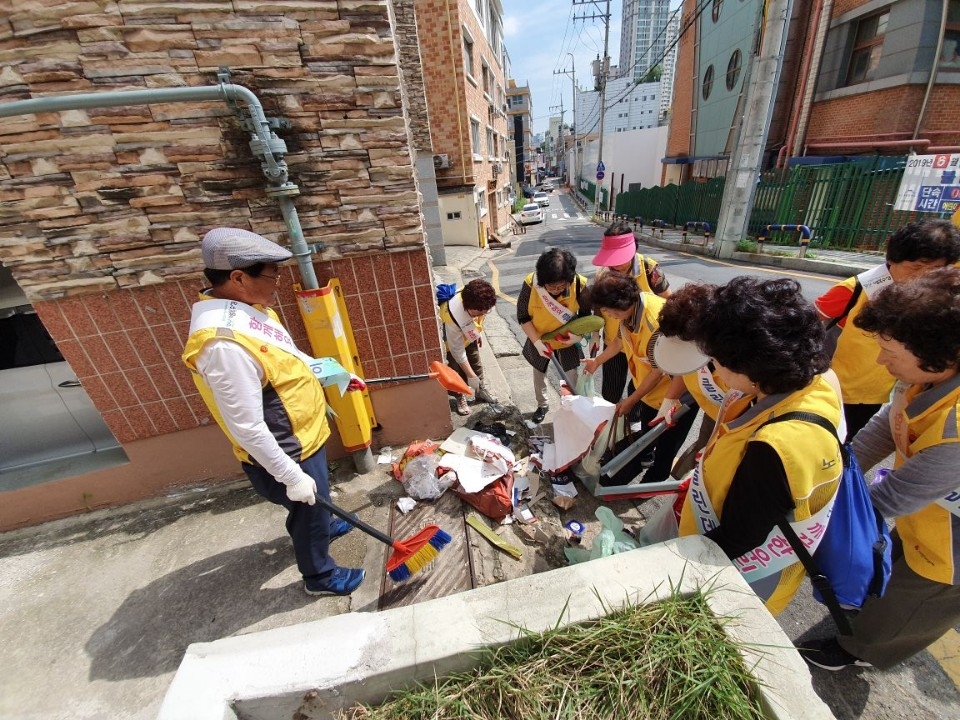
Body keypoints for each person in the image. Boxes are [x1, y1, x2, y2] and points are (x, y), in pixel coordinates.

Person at [181, 227, 364, 597]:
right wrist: (290, 477)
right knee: (307, 508)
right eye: (271, 274)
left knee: (317, 503)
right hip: (286, 450)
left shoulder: (250, 311)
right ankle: (320, 577)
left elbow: (288, 359)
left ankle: (324, 523)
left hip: (303, 434)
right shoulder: (223, 345)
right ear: (237, 278)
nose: (278, 282)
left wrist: (335, 373)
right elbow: (246, 425)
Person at [800, 267, 960, 671]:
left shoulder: (957, 430)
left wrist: (814, 522)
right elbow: (887, 427)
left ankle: (860, 654)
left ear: (943, 354)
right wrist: (835, 468)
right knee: (893, 570)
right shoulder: (925, 378)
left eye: (890, 353)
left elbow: (890, 498)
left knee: (913, 602)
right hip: (928, 516)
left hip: (952, 549)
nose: (879, 361)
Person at [668, 277, 844, 615]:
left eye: (716, 360)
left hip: (737, 582)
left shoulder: (778, 446)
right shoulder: (810, 381)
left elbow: (739, 538)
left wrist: (674, 574)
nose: (713, 369)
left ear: (749, 366)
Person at [816, 219, 960, 440]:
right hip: (831, 391)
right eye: (916, 267)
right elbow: (805, 324)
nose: (924, 277)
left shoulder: (936, 303)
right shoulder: (853, 290)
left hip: (876, 397)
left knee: (850, 444)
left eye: (935, 270)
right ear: (892, 259)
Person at [585, 272, 696, 485]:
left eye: (608, 309)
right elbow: (619, 341)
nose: (606, 314)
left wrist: (631, 400)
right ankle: (644, 460)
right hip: (650, 392)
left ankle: (655, 480)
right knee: (648, 433)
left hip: (675, 396)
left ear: (622, 303)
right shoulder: (630, 313)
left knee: (667, 442)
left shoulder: (656, 323)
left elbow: (658, 371)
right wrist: (597, 361)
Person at [592, 221, 670, 409]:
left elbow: (669, 303)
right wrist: (596, 333)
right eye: (612, 258)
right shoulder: (603, 274)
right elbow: (599, 307)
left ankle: (631, 421)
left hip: (647, 344)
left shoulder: (650, 269)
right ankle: (612, 424)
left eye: (620, 258)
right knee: (610, 390)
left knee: (638, 387)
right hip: (617, 339)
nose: (616, 265)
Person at [517, 248, 590, 425]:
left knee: (570, 375)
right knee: (538, 372)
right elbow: (523, 316)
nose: (556, 290)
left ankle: (569, 406)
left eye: (561, 286)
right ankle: (542, 405)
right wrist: (536, 342)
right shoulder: (531, 283)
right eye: (551, 286)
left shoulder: (579, 284)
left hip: (566, 339)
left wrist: (579, 337)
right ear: (542, 281)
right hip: (539, 338)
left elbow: (587, 317)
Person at [439, 278, 498, 415]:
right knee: (455, 370)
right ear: (466, 306)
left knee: (475, 363)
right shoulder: (451, 316)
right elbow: (457, 351)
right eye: (478, 312)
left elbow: (477, 319)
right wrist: (470, 375)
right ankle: (460, 396)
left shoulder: (479, 302)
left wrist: (478, 334)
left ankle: (480, 391)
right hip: (450, 344)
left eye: (485, 311)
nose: (482, 314)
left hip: (469, 335)